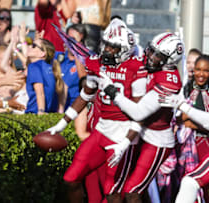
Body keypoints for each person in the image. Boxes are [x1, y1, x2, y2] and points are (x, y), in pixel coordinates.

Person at [46, 19, 146, 202]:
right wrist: (61, 124)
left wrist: (126, 142)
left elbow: (141, 112)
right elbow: (85, 95)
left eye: (112, 46)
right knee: (70, 179)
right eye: (106, 44)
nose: (107, 49)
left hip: (122, 134)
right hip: (101, 131)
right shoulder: (98, 64)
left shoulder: (136, 69)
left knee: (112, 192)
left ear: (124, 49)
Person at [99, 32, 184, 202]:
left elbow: (139, 112)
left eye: (158, 55)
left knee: (132, 191)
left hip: (156, 139)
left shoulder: (170, 81)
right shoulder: (147, 64)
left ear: (170, 60)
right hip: (136, 133)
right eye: (151, 50)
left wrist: (112, 92)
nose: (151, 57)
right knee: (115, 188)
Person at [158, 55, 209, 203]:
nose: (201, 74)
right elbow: (180, 117)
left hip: (205, 145)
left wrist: (190, 121)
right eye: (198, 69)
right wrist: (189, 119)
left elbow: (188, 119)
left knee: (195, 183)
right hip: (188, 145)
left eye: (206, 71)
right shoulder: (187, 88)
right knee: (186, 183)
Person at [25, 38, 65, 115]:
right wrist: (60, 110)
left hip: (35, 112)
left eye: (33, 45)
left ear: (42, 53)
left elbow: (39, 91)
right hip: (50, 113)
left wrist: (41, 111)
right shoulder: (51, 67)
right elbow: (63, 89)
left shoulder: (34, 66)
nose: (29, 47)